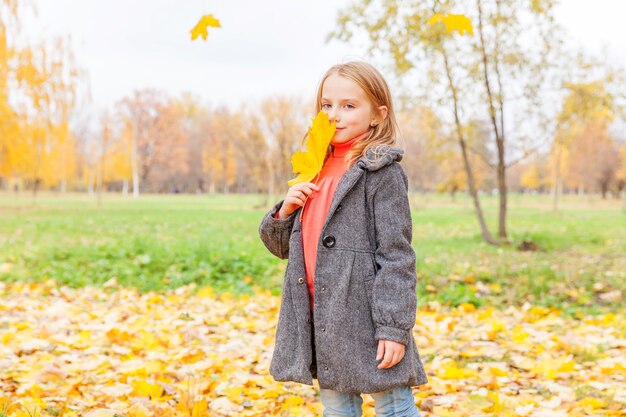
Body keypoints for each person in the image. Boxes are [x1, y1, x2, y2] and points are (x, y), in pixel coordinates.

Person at [258, 61, 428, 417]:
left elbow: (397, 256)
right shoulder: (313, 167)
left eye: (349, 106)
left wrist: (393, 327)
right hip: (321, 309)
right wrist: (284, 212)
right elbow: (283, 249)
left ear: (377, 115)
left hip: (367, 310)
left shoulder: (383, 173)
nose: (335, 114)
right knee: (336, 405)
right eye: (327, 105)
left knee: (393, 403)